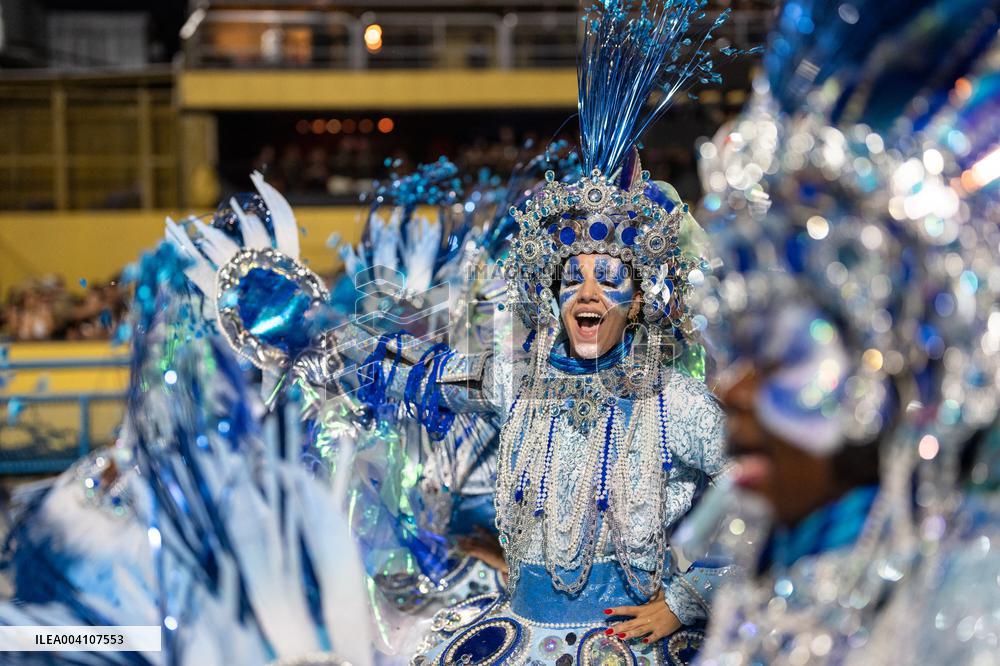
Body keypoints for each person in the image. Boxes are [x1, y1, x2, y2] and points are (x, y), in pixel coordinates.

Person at [685, 1, 1000, 663]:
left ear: (892, 364)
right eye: (735, 348)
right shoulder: (775, 560)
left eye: (779, 351)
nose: (729, 390)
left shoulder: (967, 611)